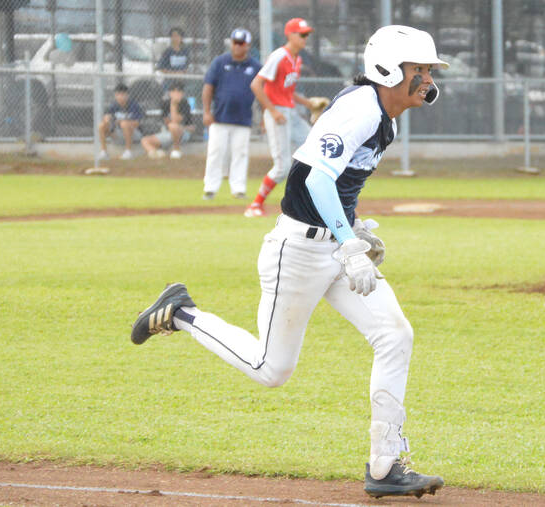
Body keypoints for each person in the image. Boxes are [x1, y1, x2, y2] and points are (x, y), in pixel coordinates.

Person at [129, 25, 449, 499]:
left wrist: (353, 228)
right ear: (386, 69)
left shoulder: (387, 117)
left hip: (334, 248)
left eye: (428, 70)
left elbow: (336, 187)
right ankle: (181, 313)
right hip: (297, 252)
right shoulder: (362, 107)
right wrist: (346, 241)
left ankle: (384, 466)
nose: (425, 78)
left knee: (395, 335)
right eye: (417, 69)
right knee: (271, 369)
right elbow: (312, 181)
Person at [244, 18, 317, 217]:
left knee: (315, 148)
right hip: (277, 113)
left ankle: (306, 200)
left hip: (290, 112)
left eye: (306, 35)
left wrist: (308, 103)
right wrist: (272, 111)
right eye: (302, 34)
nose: (305, 38)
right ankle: (255, 205)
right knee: (282, 166)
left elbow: (288, 91)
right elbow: (256, 85)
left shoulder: (297, 59)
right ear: (290, 35)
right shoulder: (279, 56)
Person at [201, 28, 261, 200]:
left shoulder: (255, 66)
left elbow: (263, 91)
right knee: (215, 152)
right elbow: (208, 87)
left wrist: (264, 117)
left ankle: (238, 188)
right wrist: (206, 111)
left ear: (248, 45)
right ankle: (210, 188)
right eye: (235, 42)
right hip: (220, 117)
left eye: (241, 43)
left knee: (240, 154)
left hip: (243, 119)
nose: (237, 46)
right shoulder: (220, 62)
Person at [140, 81, 195, 160]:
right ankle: (157, 154)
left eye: (179, 91)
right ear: (170, 93)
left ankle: (176, 150)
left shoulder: (185, 104)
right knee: (144, 140)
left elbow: (175, 121)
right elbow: (167, 122)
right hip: (168, 133)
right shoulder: (165, 103)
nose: (176, 93)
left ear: (182, 93)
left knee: (173, 126)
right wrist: (172, 103)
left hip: (183, 133)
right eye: (173, 91)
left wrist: (173, 104)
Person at [97, 83, 143, 161]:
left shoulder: (134, 105)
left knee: (124, 124)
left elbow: (137, 123)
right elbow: (107, 119)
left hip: (134, 134)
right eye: (118, 94)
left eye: (123, 94)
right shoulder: (113, 106)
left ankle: (128, 151)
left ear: (127, 95)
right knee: (101, 125)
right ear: (115, 95)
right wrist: (108, 122)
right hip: (117, 134)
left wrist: (121, 122)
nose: (120, 97)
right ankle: (104, 152)